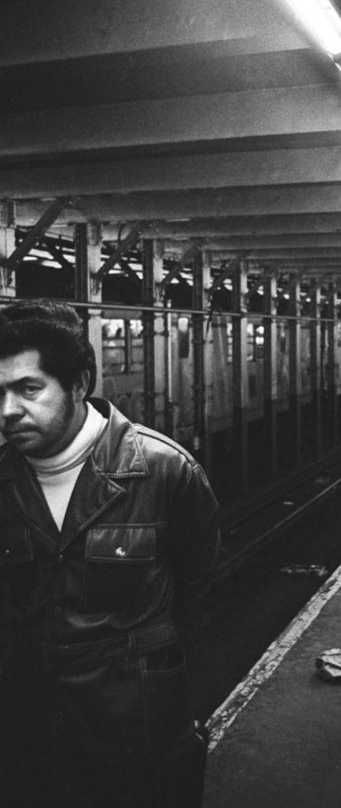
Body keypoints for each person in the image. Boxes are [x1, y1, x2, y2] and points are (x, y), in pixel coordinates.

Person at [0, 300, 220, 807]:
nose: (8, 410)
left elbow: (198, 597)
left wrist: (178, 704)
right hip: (28, 730)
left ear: (79, 385)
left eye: (29, 389)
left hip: (136, 727)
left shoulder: (163, 471)